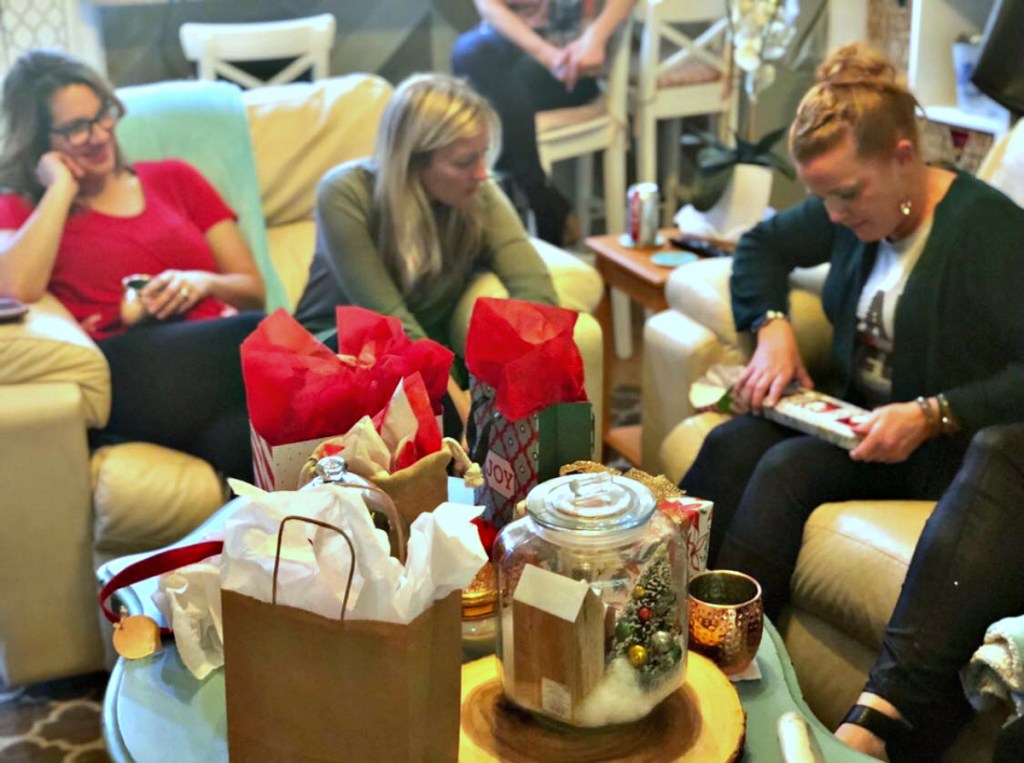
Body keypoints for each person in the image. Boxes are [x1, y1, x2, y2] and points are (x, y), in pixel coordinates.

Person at [677, 43, 1024, 760]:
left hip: (943, 451)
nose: (832, 216)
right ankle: (663, 624)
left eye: (847, 195)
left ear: (904, 157)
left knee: (783, 471)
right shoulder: (858, 207)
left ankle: (725, 670)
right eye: (824, 197)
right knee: (731, 442)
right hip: (860, 427)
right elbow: (759, 249)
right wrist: (772, 331)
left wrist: (936, 410)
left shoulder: (989, 232)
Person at [0, 50, 265, 481]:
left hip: (208, 362)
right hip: (124, 369)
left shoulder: (175, 178)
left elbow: (252, 287)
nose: (100, 134)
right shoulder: (22, 207)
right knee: (254, 335)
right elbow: (14, 286)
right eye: (74, 128)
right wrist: (61, 188)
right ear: (38, 140)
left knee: (240, 440)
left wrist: (202, 282)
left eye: (102, 114)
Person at [292, 73, 559, 433]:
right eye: (465, 161)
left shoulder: (479, 194)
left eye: (483, 155)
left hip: (434, 359)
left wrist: (521, 384)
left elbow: (534, 287)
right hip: (342, 354)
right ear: (411, 162)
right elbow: (389, 320)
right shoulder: (345, 193)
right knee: (412, 385)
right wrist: (465, 413)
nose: (482, 173)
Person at [451, 0, 635, 245]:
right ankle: (539, 193)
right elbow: (488, 5)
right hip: (511, 52)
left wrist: (596, 36)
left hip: (574, 62)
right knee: (469, 53)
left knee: (495, 94)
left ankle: (514, 209)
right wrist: (547, 55)